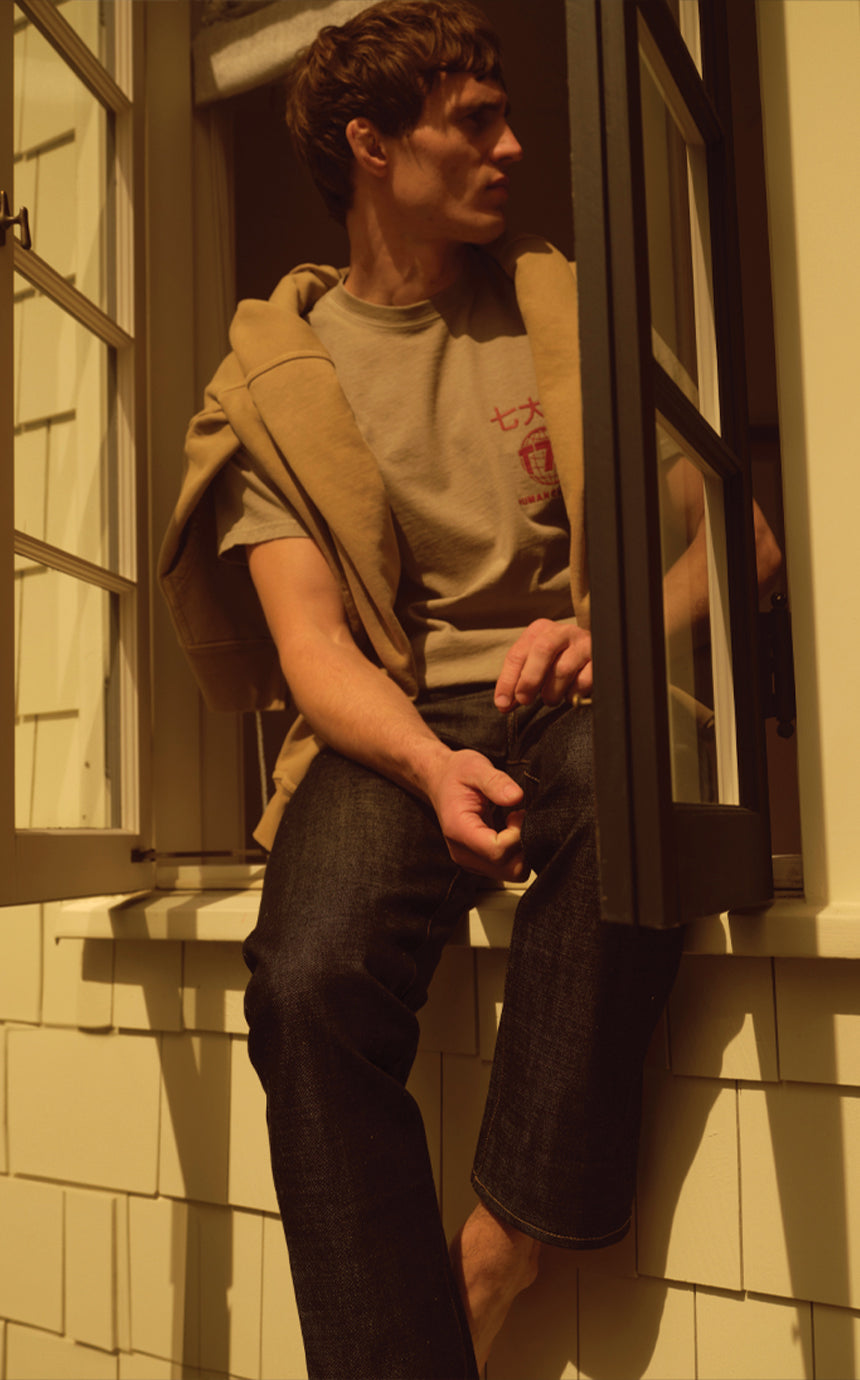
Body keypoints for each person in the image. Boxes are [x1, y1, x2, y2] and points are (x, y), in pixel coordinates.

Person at [159, 3, 780, 1376]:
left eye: (507, 115)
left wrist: (618, 633)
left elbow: (739, 545)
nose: (512, 146)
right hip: (390, 727)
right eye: (473, 121)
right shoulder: (271, 381)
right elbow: (313, 652)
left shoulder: (566, 314)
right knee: (305, 979)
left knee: (640, 805)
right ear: (372, 148)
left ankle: (500, 1254)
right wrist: (433, 769)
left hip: (567, 691)